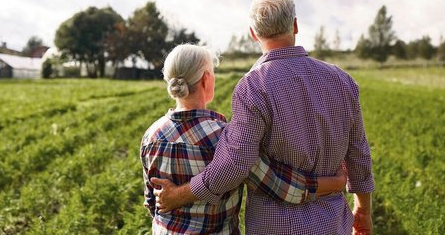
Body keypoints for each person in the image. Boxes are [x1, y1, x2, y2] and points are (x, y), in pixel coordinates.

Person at [152, 0, 375, 235]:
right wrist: (363, 209)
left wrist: (179, 195)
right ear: (295, 25)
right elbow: (358, 153)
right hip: (333, 223)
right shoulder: (342, 81)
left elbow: (235, 164)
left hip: (274, 226)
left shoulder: (253, 86)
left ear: (253, 34)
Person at [141, 44, 347, 234]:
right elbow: (278, 185)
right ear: (206, 79)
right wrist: (332, 183)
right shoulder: (225, 137)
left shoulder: (151, 136)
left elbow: (152, 202)